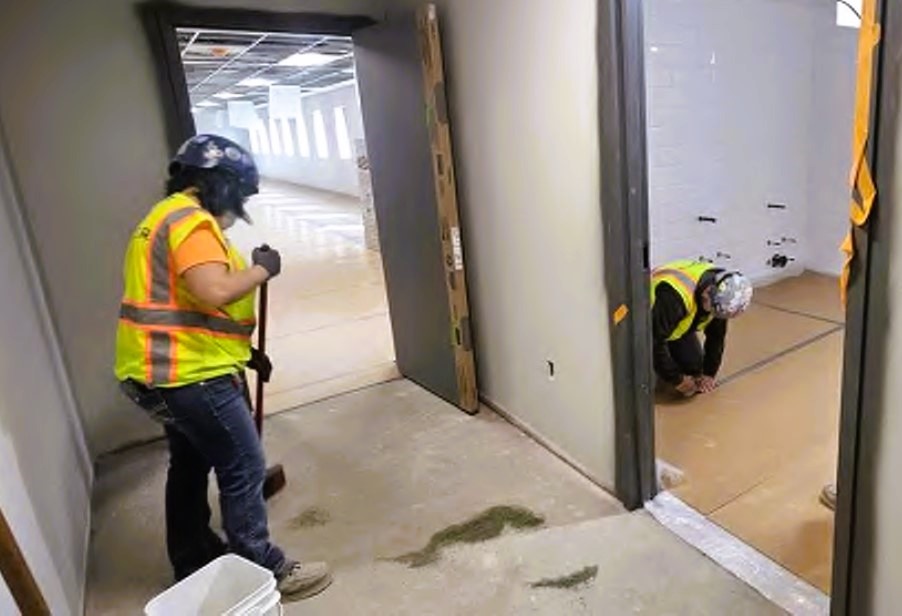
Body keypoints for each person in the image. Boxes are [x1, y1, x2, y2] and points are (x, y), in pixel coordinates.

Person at [114, 134, 332, 599]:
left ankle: (192, 558)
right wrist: (261, 270)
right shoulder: (191, 223)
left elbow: (184, 305)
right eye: (239, 197)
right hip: (189, 374)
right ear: (221, 184)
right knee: (243, 464)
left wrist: (243, 352)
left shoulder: (160, 218)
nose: (236, 212)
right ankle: (266, 569)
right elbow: (213, 291)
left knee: (189, 463)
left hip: (162, 369)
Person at [652, 260, 753, 397]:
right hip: (644, 324)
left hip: (673, 326)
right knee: (647, 383)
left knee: (694, 368)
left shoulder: (720, 293)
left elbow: (716, 336)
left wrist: (709, 373)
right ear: (706, 294)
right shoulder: (674, 296)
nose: (714, 316)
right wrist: (677, 379)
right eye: (713, 311)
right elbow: (652, 341)